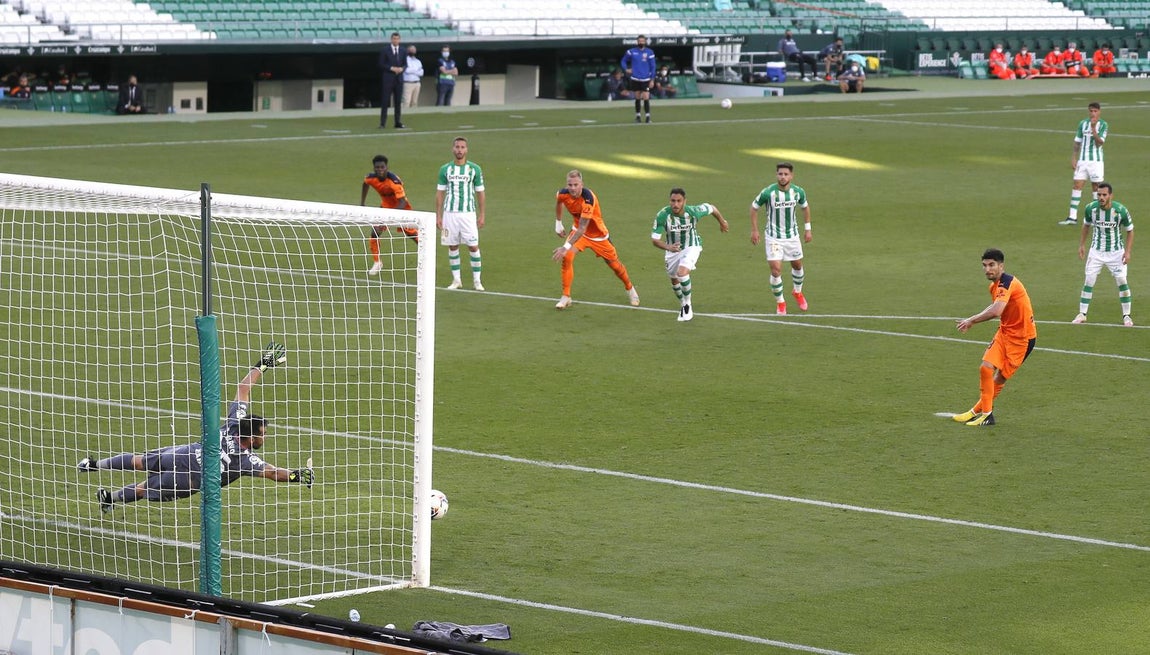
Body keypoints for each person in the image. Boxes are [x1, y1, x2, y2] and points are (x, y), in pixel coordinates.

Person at [77, 343, 314, 512]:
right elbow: (274, 473)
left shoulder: (234, 423)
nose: (265, 437)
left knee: (140, 461)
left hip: (184, 454)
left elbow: (243, 388)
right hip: (189, 479)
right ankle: (110, 498)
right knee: (144, 487)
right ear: (251, 438)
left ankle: (93, 465)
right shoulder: (246, 460)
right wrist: (298, 476)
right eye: (262, 434)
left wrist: (262, 365)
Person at [952, 249, 1037, 427]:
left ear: (1001, 266)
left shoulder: (1008, 283)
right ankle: (983, 413)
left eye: (991, 265)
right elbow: (999, 310)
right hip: (1004, 333)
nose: (987, 269)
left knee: (999, 378)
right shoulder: (994, 287)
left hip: (1022, 339)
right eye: (984, 265)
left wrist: (971, 320)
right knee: (985, 368)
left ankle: (980, 412)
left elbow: (996, 310)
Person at [551, 170, 640, 309]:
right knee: (567, 257)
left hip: (598, 236)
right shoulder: (563, 193)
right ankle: (566, 296)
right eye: (570, 185)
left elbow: (583, 228)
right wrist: (558, 223)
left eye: (576, 185)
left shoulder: (588, 199)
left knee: (615, 266)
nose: (573, 188)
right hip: (579, 233)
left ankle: (630, 288)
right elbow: (559, 202)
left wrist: (565, 246)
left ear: (582, 184)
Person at [650, 187, 728, 322]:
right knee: (674, 280)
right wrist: (668, 247)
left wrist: (722, 221)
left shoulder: (693, 212)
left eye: (679, 201)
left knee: (682, 273)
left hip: (692, 246)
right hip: (672, 250)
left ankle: (687, 304)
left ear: (684, 201)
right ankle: (683, 303)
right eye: (673, 201)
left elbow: (712, 208)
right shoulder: (663, 215)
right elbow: (655, 240)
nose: (675, 204)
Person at [749, 162, 812, 316]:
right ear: (776, 175)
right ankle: (781, 303)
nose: (782, 177)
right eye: (780, 174)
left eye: (785, 174)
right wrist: (755, 230)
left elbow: (805, 207)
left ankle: (797, 292)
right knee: (776, 270)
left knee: (797, 265)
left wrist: (808, 229)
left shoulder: (798, 192)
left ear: (791, 176)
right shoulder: (768, 192)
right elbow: (754, 208)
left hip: (792, 236)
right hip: (773, 237)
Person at [1072, 182, 1134, 326]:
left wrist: (1128, 251)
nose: (1101, 197)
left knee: (1122, 281)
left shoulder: (1120, 211)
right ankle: (1082, 314)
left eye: (1104, 195)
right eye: (1099, 194)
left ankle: (1126, 316)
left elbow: (1130, 230)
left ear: (1110, 195)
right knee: (1089, 281)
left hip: (1116, 253)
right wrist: (1082, 244)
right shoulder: (1090, 209)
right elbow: (1086, 225)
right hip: (1096, 252)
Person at [436, 136, 486, 290]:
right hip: (449, 214)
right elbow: (439, 192)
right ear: (453, 149)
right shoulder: (445, 169)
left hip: (468, 214)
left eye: (462, 147)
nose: (459, 150)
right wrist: (438, 215)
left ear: (467, 149)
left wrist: (482, 214)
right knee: (452, 246)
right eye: (457, 147)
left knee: (473, 246)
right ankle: (456, 280)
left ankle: (477, 281)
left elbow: (480, 192)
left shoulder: (474, 169)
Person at [360, 154, 418, 276]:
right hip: (385, 208)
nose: (380, 170)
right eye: (377, 167)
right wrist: (362, 203)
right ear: (374, 168)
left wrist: (392, 216)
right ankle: (377, 262)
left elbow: (402, 201)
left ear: (386, 167)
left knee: (411, 234)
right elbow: (365, 184)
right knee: (375, 232)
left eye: (382, 167)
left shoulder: (394, 181)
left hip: (402, 209)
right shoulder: (371, 178)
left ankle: (427, 251)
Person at [1059, 101, 1107, 226]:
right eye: (1091, 111)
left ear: (1099, 112)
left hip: (1096, 162)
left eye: (1095, 111)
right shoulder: (1082, 123)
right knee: (1077, 185)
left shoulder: (1103, 125)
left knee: (1097, 189)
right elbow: (1077, 142)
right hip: (1083, 161)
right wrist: (1074, 157)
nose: (1093, 113)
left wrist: (1093, 130)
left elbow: (1099, 143)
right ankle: (1072, 217)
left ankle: (1097, 218)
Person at [620, 35, 656, 123]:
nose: (641, 42)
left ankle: (648, 117)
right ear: (637, 42)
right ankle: (638, 116)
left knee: (646, 97)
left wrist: (652, 79)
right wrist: (626, 69)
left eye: (642, 41)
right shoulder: (631, 51)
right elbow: (623, 61)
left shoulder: (649, 52)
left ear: (645, 42)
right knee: (637, 97)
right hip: (635, 78)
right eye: (639, 41)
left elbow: (653, 66)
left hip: (646, 79)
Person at [378, 32, 406, 129]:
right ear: (391, 39)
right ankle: (382, 123)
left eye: (397, 39)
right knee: (385, 101)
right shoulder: (385, 50)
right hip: (388, 79)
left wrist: (402, 69)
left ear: (399, 40)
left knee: (398, 102)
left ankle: (397, 122)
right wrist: (391, 68)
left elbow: (405, 64)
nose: (396, 40)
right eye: (394, 38)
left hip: (399, 79)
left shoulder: (403, 50)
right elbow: (381, 64)